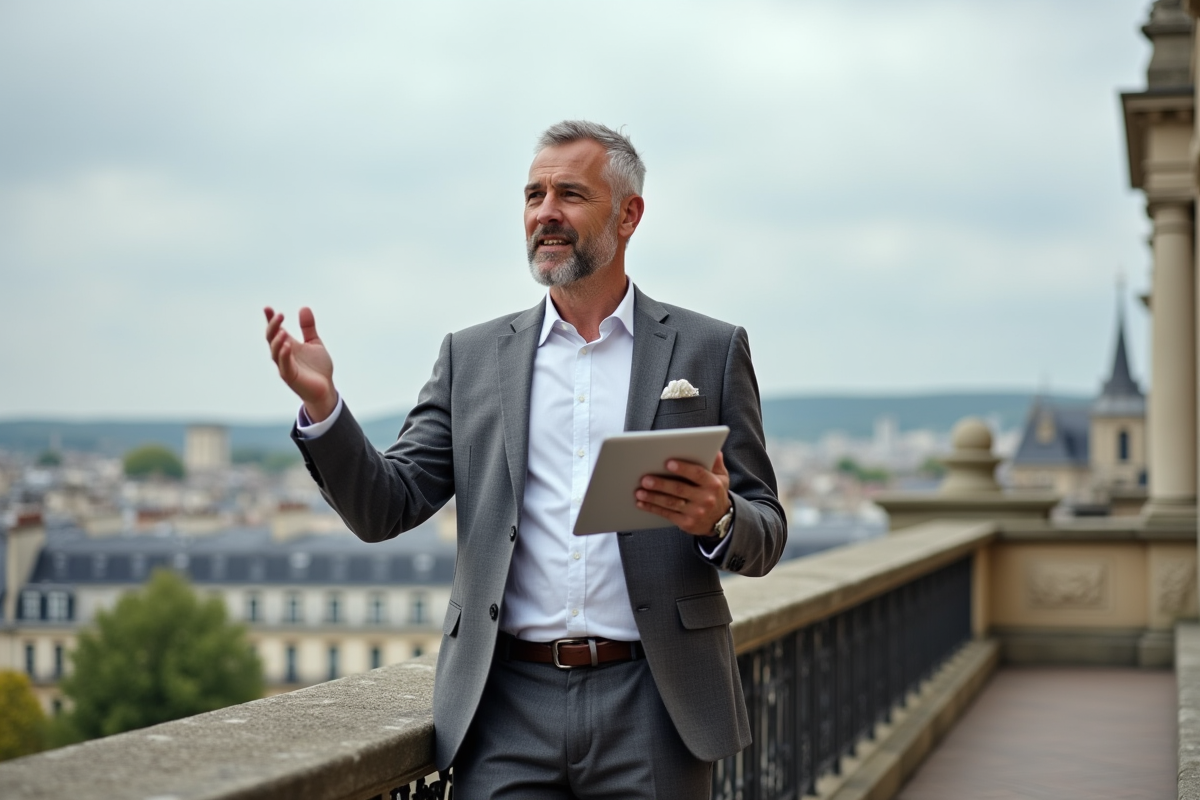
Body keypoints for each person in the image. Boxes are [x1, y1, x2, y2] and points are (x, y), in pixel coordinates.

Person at [263, 120, 787, 799]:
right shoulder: (472, 357)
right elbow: (384, 507)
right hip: (505, 708)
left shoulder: (707, 349)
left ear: (629, 215)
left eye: (570, 193)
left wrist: (719, 518)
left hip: (656, 703)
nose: (546, 212)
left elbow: (767, 531)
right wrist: (326, 410)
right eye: (533, 194)